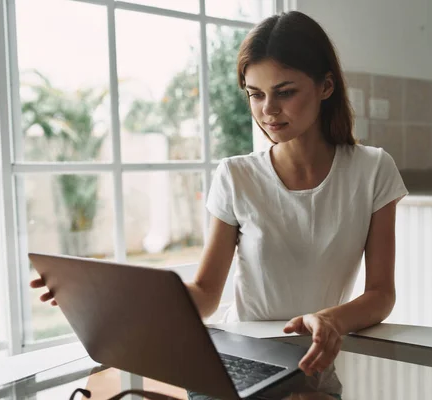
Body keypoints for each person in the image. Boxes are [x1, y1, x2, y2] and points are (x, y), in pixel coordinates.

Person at [31, 10, 408, 400]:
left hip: (310, 375)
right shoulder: (235, 175)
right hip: (238, 365)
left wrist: (331, 320)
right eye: (255, 94)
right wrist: (104, 299)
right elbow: (206, 295)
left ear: (326, 86)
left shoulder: (373, 170)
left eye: (285, 91)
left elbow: (381, 293)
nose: (268, 110)